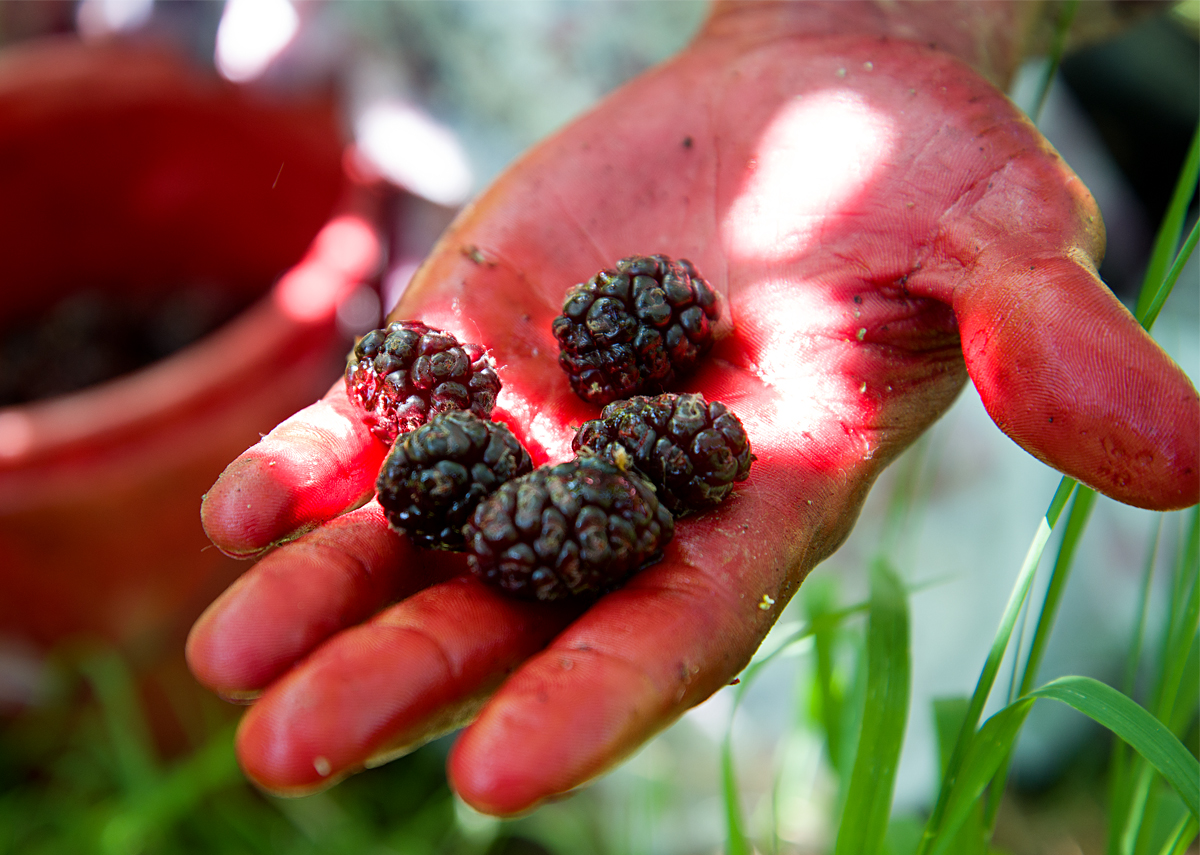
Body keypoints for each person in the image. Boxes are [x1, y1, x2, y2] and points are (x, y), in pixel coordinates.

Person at [185, 0, 1199, 816]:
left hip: (818, 170)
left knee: (936, 586)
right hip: (478, 150)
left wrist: (883, 20)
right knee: (615, 708)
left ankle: (980, 785)